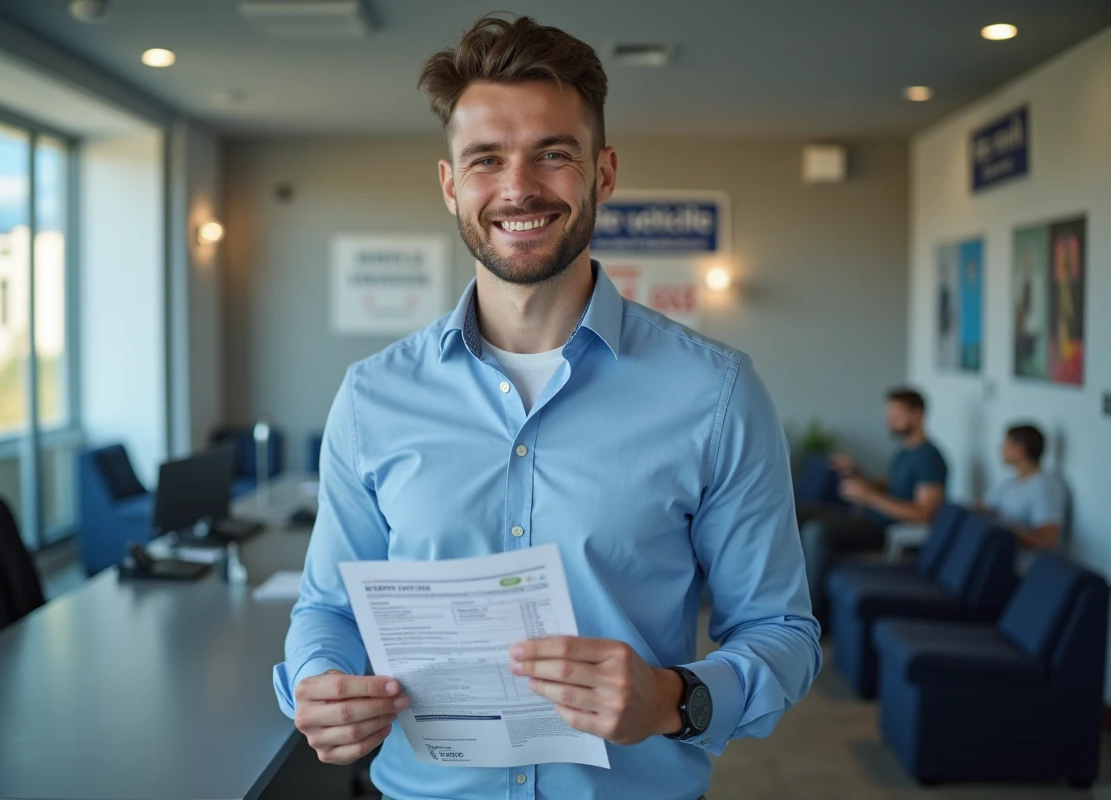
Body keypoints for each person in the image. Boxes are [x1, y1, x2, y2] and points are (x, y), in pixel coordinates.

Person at [272, 14, 821, 800]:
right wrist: (319, 682)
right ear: (451, 184)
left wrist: (673, 700)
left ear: (602, 174)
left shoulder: (717, 394)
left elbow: (782, 633)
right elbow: (327, 606)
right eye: (486, 159)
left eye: (553, 155)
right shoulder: (372, 397)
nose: (518, 187)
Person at [799, 388, 947, 620]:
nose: (890, 421)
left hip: (883, 529)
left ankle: (814, 616)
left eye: (896, 416)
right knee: (801, 512)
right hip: (867, 517)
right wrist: (856, 472)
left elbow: (924, 514)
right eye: (890, 415)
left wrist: (869, 497)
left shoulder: (930, 458)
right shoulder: (905, 452)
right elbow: (888, 486)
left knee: (815, 531)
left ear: (916, 414)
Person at [980, 424, 1066, 571]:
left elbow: (1047, 539)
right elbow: (982, 508)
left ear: (1019, 450)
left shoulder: (1044, 486)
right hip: (996, 559)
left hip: (1021, 569)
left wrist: (1004, 531)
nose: (1000, 449)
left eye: (1005, 444)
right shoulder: (1010, 483)